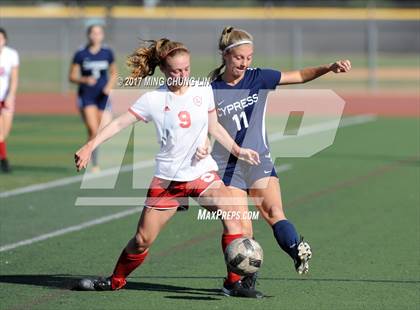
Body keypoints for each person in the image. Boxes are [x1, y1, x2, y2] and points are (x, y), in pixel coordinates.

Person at [74, 38, 263, 298]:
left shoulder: (202, 90)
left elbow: (214, 126)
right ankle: (115, 280)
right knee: (142, 240)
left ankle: (233, 284)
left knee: (233, 216)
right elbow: (119, 124)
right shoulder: (153, 99)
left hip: (201, 173)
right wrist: (90, 145)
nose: (183, 75)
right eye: (176, 70)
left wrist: (235, 150)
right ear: (164, 70)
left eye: (186, 69)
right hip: (168, 180)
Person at [196, 26, 351, 293]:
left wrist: (328, 67)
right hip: (227, 166)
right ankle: (242, 281)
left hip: (258, 161)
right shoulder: (210, 89)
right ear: (225, 55)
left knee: (271, 214)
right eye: (239, 58)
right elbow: (205, 128)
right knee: (240, 226)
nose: (245, 63)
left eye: (249, 57)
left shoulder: (259, 77)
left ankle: (293, 251)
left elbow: (300, 75)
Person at [69, 24, 117, 172]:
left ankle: (90, 154)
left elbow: (114, 73)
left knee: (105, 130)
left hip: (103, 96)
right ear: (88, 35)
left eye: (99, 33)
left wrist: (109, 86)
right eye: (93, 33)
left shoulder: (107, 52)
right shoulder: (81, 53)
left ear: (102, 35)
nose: (96, 36)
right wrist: (84, 80)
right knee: (93, 129)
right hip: (87, 96)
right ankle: (93, 162)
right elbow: (71, 76)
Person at [0, 27, 19, 173]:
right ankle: (4, 160)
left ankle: (3, 158)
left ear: (5, 40)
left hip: (6, 98)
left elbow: (14, 78)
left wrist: (11, 96)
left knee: (4, 133)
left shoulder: (11, 55)